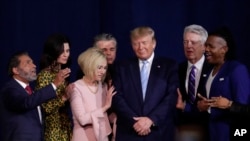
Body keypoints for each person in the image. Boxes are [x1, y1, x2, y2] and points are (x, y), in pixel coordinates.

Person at [112, 26, 179, 141]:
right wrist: (135, 122)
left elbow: (172, 96)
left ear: (154, 43)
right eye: (135, 43)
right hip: (129, 132)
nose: (140, 47)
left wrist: (151, 119)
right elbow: (117, 97)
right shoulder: (121, 67)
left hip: (159, 132)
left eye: (144, 43)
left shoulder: (169, 66)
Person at [0, 51, 70, 141]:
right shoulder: (9, 90)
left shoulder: (30, 91)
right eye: (28, 63)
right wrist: (54, 85)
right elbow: (25, 103)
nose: (34, 65)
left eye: (32, 62)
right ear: (16, 70)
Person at [197, 27, 250, 141]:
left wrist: (229, 104)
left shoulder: (237, 69)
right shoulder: (208, 71)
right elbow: (209, 102)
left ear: (224, 49)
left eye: (210, 46)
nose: (206, 49)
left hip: (231, 133)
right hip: (211, 132)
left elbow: (245, 108)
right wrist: (201, 106)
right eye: (206, 45)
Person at [68, 47, 116, 141]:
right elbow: (83, 119)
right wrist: (105, 107)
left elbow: (104, 116)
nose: (103, 72)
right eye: (99, 67)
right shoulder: (76, 87)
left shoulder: (103, 87)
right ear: (90, 66)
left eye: (105, 68)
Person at [176, 24, 211, 141]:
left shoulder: (213, 69)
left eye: (193, 42)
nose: (188, 46)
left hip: (209, 129)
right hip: (182, 129)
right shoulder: (177, 69)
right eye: (185, 42)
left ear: (204, 46)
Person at [35, 34, 72, 141]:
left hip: (66, 129)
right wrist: (64, 97)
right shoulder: (44, 75)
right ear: (53, 51)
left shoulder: (64, 73)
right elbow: (45, 107)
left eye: (68, 51)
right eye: (62, 51)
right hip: (52, 132)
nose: (66, 55)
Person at [93, 33, 118, 141]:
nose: (108, 53)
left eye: (112, 49)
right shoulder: (87, 74)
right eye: (104, 50)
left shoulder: (118, 71)